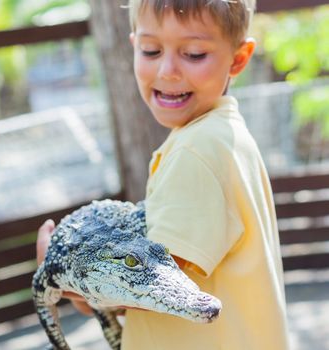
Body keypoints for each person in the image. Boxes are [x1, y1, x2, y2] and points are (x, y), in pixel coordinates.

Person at [37, 0, 290, 349]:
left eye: (195, 53)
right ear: (133, 46)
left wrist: (60, 270)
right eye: (151, 50)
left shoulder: (196, 151)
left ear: (238, 59)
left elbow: (139, 290)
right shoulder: (217, 135)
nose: (168, 70)